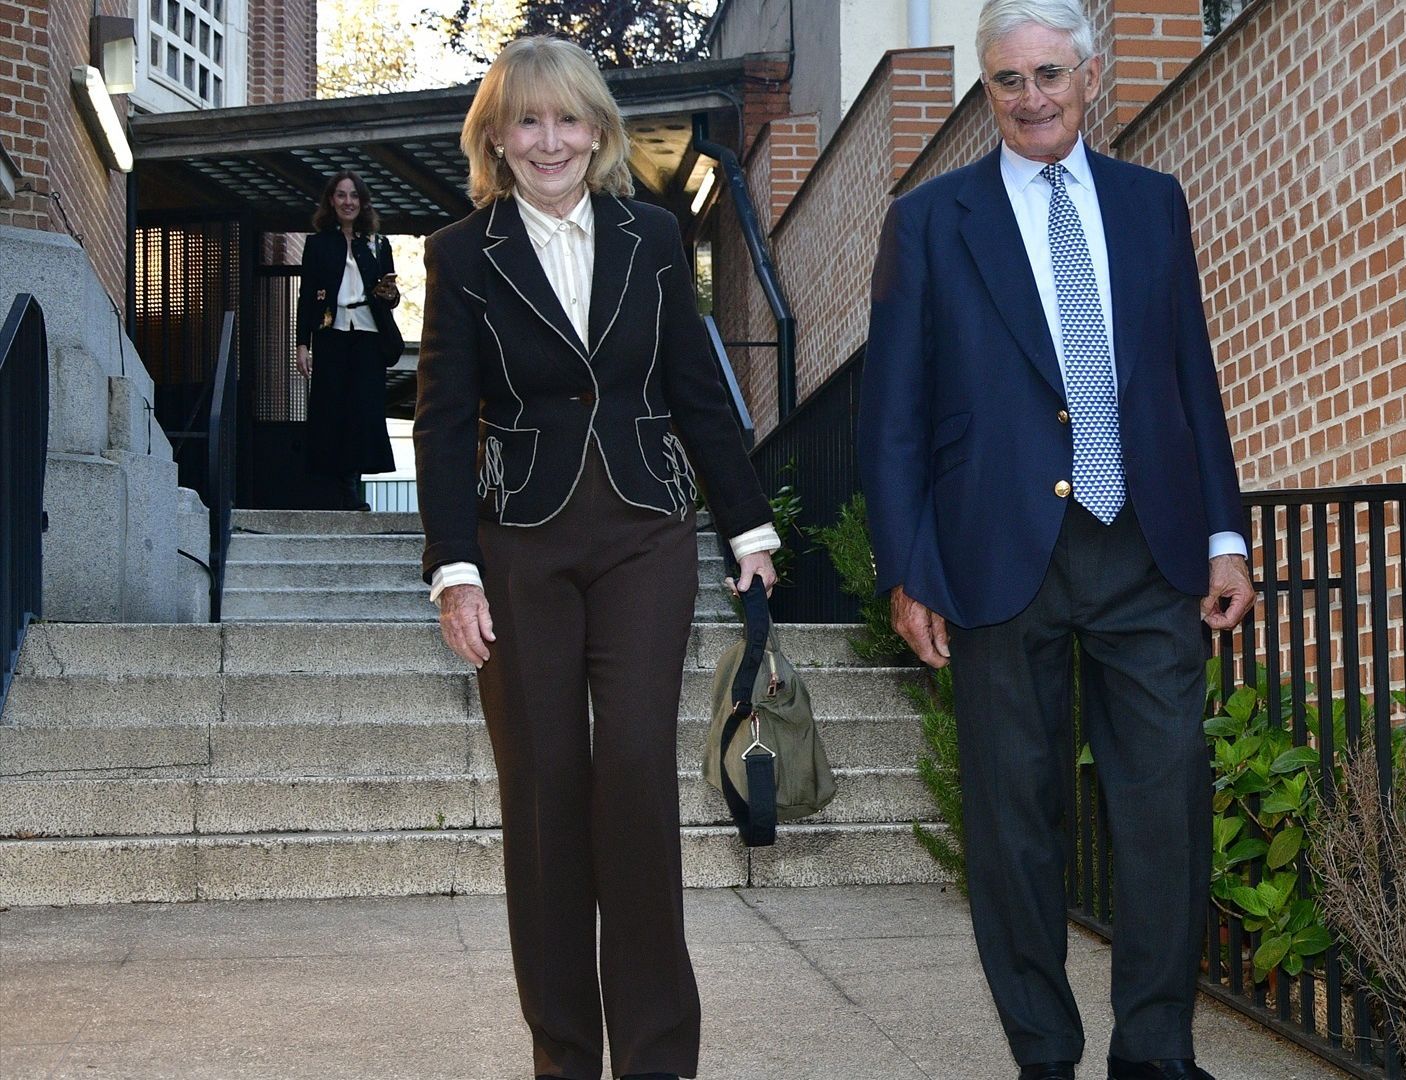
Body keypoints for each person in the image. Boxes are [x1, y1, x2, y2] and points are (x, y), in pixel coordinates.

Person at [858, 2, 1255, 1078]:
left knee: (1165, 809)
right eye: (1007, 81)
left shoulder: (1151, 205)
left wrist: (1226, 531)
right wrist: (908, 569)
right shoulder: (931, 221)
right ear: (986, 93)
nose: (1031, 97)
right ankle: (1044, 1055)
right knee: (1013, 825)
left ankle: (1156, 1056)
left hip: (1150, 551)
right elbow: (892, 412)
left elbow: (1190, 378)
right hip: (998, 559)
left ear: (1089, 77)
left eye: (1048, 74)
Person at [412, 35, 779, 1080]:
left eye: (568, 118)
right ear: (495, 137)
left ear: (599, 130)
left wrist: (747, 526)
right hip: (518, 543)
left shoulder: (654, 236)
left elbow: (699, 389)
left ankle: (657, 1059)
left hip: (642, 530)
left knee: (630, 776)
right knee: (544, 792)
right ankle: (565, 1058)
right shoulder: (461, 254)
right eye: (525, 120)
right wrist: (453, 566)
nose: (548, 139)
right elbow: (441, 423)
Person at [296, 170, 399, 510]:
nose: (348, 202)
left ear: (362, 201)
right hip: (332, 333)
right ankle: (335, 487)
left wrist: (389, 293)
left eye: (354, 196)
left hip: (369, 334)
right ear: (331, 201)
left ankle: (353, 484)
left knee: (363, 409)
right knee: (332, 408)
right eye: (341, 195)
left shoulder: (377, 243)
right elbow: (307, 296)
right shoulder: (318, 244)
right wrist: (302, 345)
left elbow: (390, 295)